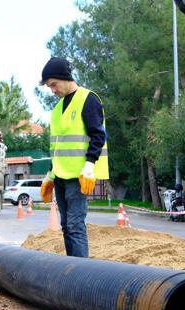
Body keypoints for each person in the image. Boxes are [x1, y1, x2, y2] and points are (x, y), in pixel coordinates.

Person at [39, 57, 109, 258]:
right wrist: (50, 176)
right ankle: (71, 269)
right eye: (49, 86)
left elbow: (98, 135)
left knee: (75, 225)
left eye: (54, 84)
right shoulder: (57, 110)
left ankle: (81, 276)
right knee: (66, 226)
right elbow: (57, 147)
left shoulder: (88, 99)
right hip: (61, 176)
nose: (52, 90)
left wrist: (89, 166)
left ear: (65, 77)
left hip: (79, 176)